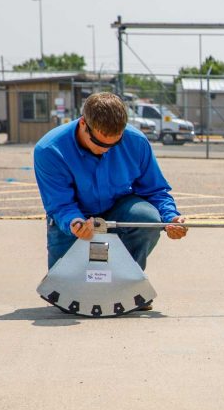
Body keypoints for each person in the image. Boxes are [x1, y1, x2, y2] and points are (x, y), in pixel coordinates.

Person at [34, 92, 187, 309]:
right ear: (83, 123)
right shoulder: (49, 150)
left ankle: (127, 283)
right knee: (64, 294)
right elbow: (60, 204)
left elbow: (156, 190)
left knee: (147, 218)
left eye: (114, 144)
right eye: (98, 142)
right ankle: (72, 275)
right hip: (74, 218)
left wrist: (170, 218)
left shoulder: (137, 142)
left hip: (118, 210)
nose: (105, 149)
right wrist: (75, 224)